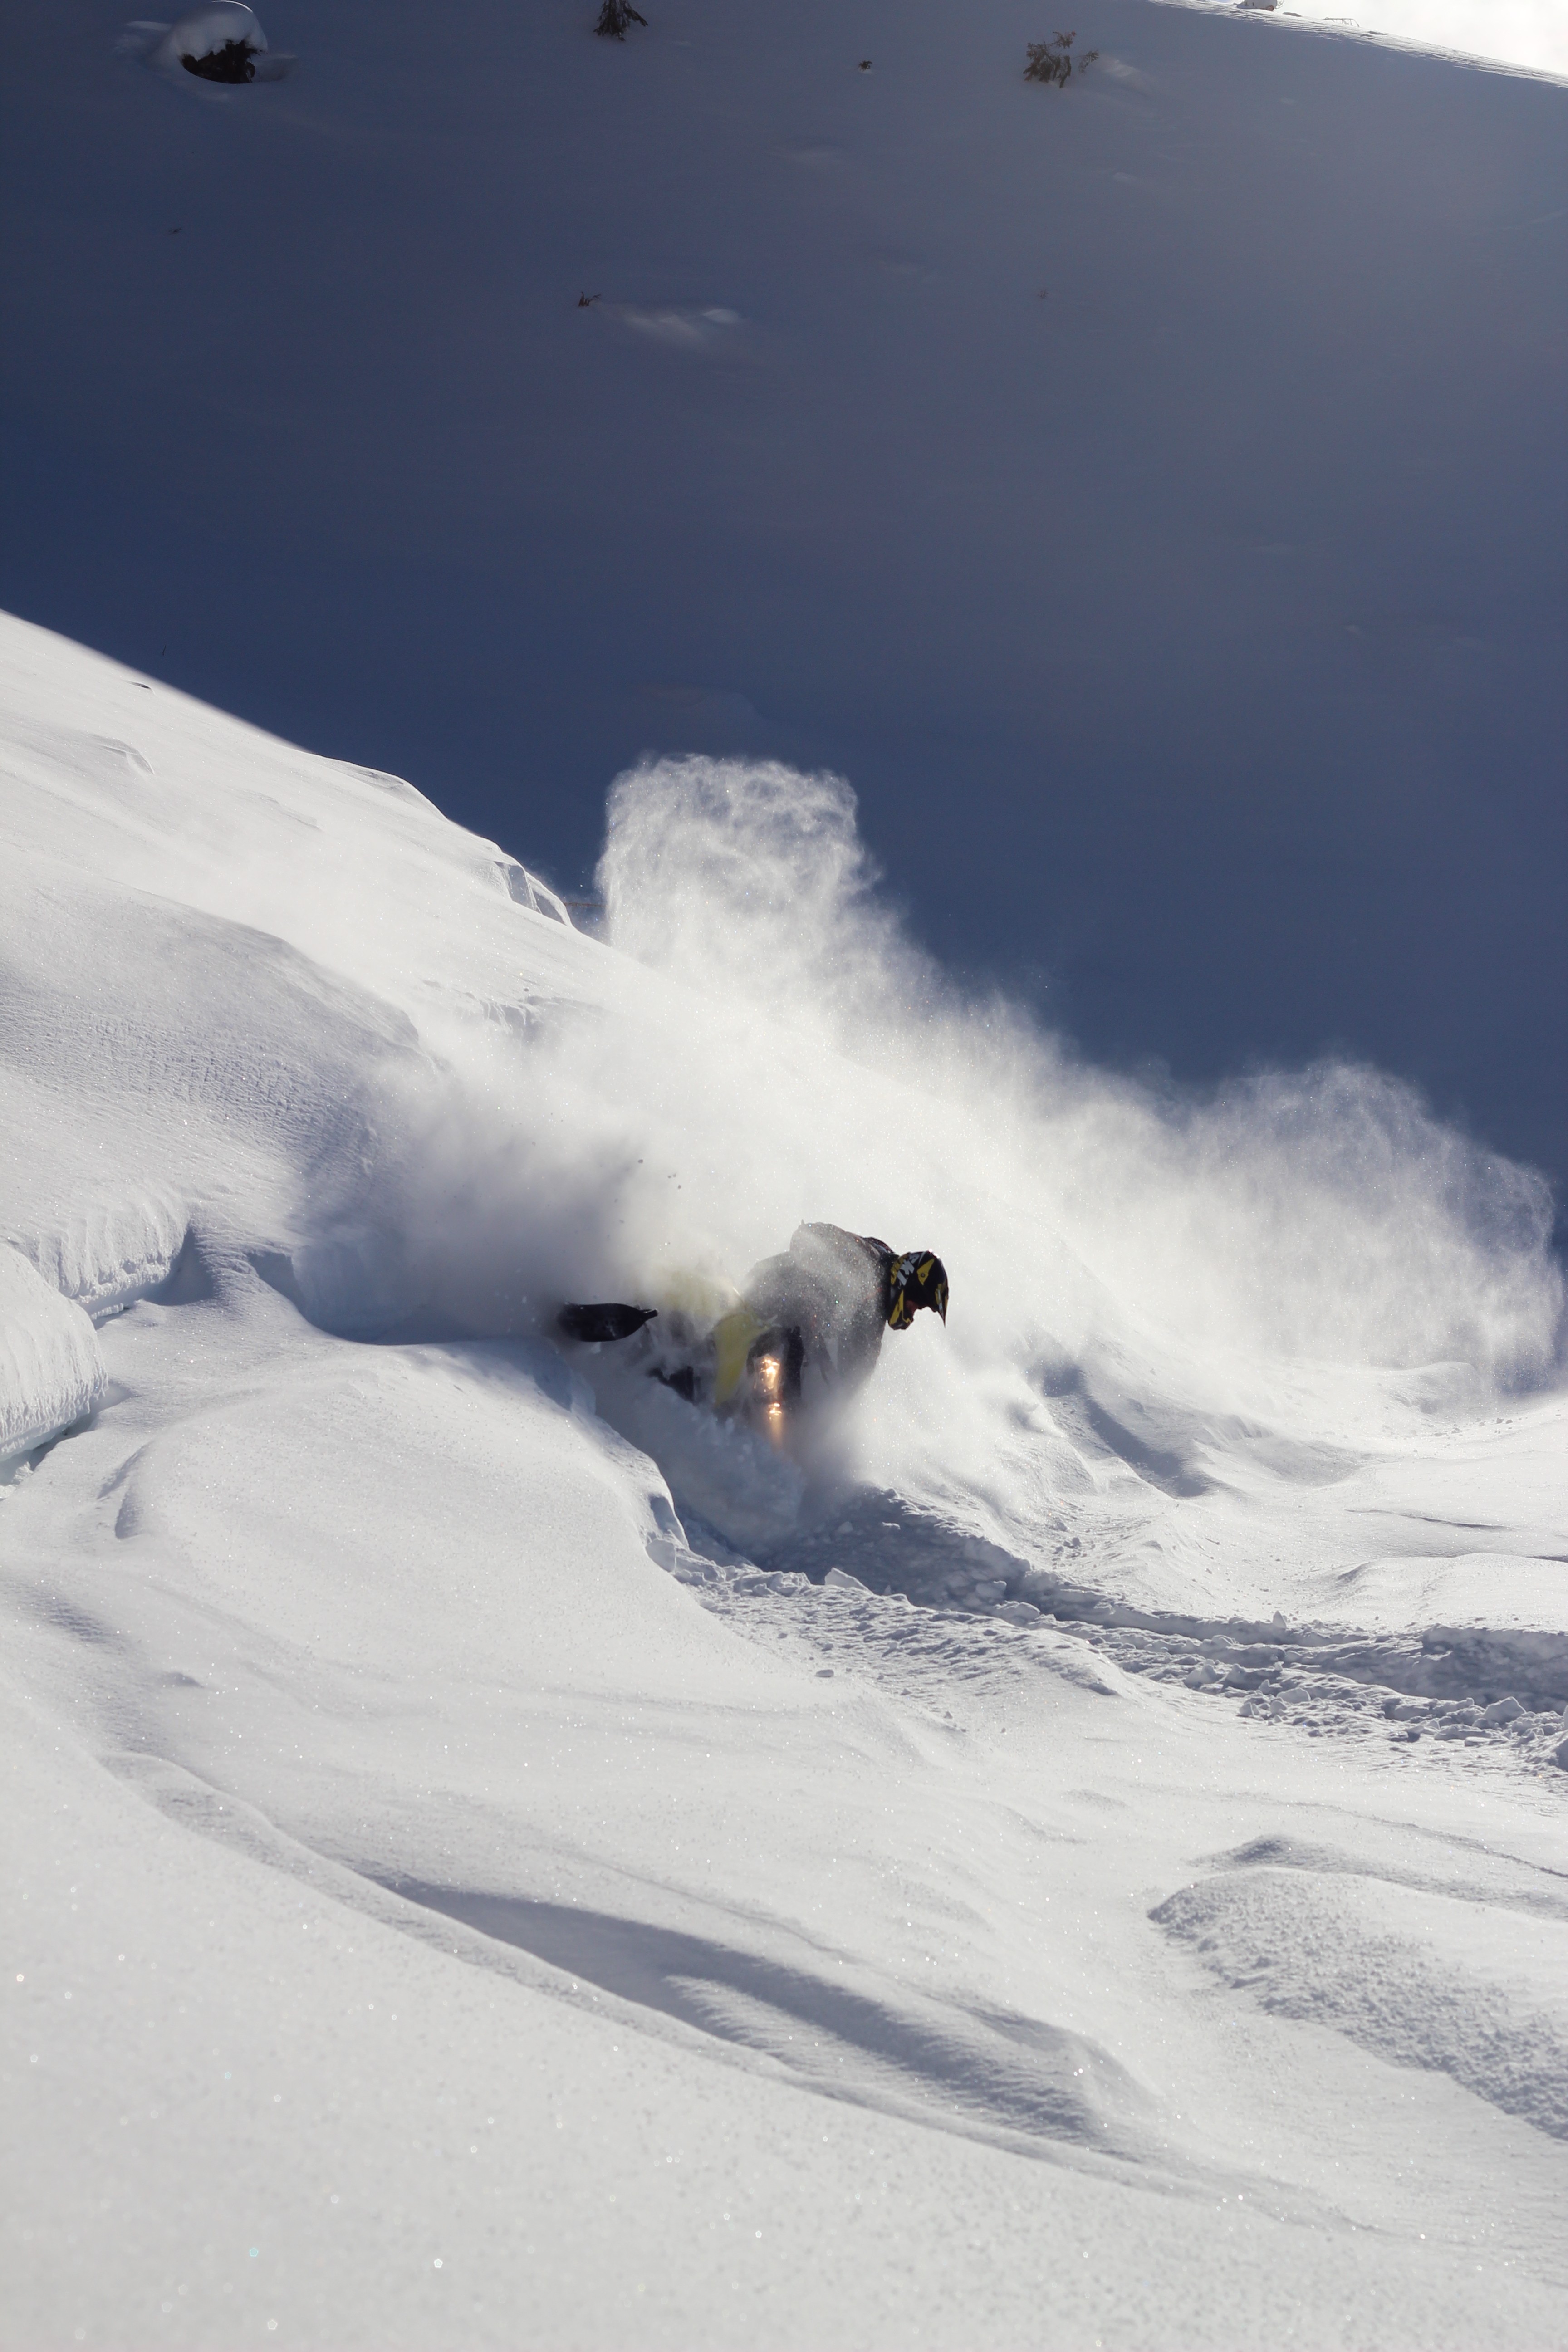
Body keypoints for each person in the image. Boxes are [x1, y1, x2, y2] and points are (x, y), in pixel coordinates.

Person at [558, 1223, 948, 1427]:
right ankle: (627, 1322)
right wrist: (819, 1291)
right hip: (769, 1299)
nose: (914, 1312)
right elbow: (810, 1235)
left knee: (755, 1392)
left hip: (785, 1338)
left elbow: (850, 1386)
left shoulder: (872, 1326)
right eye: (919, 1302)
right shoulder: (868, 1260)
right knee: (720, 1332)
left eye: (921, 1308)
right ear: (908, 1281)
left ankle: (659, 1387)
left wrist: (816, 1412)